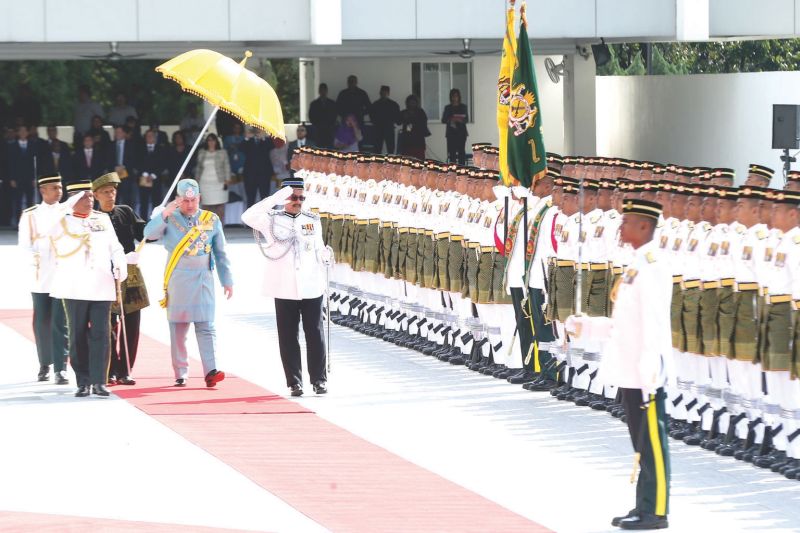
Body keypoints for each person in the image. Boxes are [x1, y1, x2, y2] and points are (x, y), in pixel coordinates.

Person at [566, 199, 671, 530]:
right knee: (640, 443)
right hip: (630, 368)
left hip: (644, 372)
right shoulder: (634, 265)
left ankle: (655, 511)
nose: (620, 227)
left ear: (644, 226)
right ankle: (643, 505)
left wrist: (652, 367)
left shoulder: (652, 266)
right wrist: (589, 326)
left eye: (627, 222)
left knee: (652, 442)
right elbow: (624, 324)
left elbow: (654, 324)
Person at [241, 178, 331, 396]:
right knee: (288, 336)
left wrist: (326, 256)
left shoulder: (312, 220)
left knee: (315, 334)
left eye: (301, 197)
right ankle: (294, 382)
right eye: (293, 197)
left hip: (310, 286)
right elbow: (247, 216)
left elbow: (318, 249)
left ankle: (319, 380)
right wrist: (276, 198)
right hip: (284, 287)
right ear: (284, 197)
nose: (298, 201)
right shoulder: (270, 219)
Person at [144, 179, 232, 388]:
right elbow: (148, 234)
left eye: (193, 200)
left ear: (199, 198)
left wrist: (227, 280)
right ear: (178, 200)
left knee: (206, 325)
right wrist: (163, 214)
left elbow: (221, 253)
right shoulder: (169, 218)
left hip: (203, 278)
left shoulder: (211, 219)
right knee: (179, 328)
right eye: (185, 200)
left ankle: (211, 370)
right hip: (179, 277)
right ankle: (180, 372)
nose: (190, 204)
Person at [47, 180, 128, 398]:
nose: (90, 201)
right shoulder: (61, 220)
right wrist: (68, 204)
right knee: (78, 335)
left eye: (92, 196)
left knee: (102, 334)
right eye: (85, 197)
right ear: (73, 199)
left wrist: (120, 264)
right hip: (75, 287)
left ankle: (99, 381)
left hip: (101, 285)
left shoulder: (101, 219)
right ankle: (83, 381)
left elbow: (115, 247)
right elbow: (49, 223)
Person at [92, 172, 149, 386]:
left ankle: (126, 370)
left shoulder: (126, 211)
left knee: (132, 323)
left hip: (130, 274)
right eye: (105, 192)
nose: (110, 195)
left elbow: (146, 233)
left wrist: (160, 217)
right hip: (106, 276)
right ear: (96, 195)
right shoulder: (93, 219)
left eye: (113, 191)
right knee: (107, 324)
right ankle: (111, 369)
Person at [18, 174, 69, 384]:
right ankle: (44, 363)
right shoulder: (31, 214)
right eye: (54, 188)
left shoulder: (67, 211)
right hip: (40, 275)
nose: (59, 191)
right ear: (43, 191)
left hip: (62, 273)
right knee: (42, 322)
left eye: (60, 187)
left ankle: (61, 367)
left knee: (61, 322)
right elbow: (24, 245)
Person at [195, 133, 231, 220]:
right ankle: (206, 227)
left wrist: (227, 179)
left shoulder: (222, 152)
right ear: (206, 142)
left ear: (216, 141)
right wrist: (196, 181)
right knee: (206, 205)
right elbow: (198, 167)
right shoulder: (201, 152)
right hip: (205, 182)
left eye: (213, 140)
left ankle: (219, 227)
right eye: (209, 140)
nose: (211, 142)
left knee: (219, 205)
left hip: (219, 182)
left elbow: (227, 166)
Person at [139, 129, 169, 218]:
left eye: (151, 136)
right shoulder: (140, 148)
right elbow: (136, 162)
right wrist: (145, 174)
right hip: (143, 179)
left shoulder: (161, 149)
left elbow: (163, 164)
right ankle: (143, 223)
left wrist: (152, 175)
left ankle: (157, 222)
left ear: (155, 138)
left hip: (156, 179)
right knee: (143, 202)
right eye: (147, 136)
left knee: (157, 202)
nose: (149, 138)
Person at [240, 128, 275, 207]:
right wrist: (246, 138)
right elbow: (241, 148)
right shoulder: (248, 140)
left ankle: (265, 217)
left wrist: (263, 137)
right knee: (250, 198)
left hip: (264, 173)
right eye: (256, 129)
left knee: (265, 197)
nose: (257, 131)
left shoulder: (266, 139)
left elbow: (272, 146)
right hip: (250, 174)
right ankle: (249, 218)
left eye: (259, 129)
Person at [112, 125, 141, 208]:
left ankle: (127, 217)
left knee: (127, 198)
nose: (117, 134)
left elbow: (135, 160)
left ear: (124, 133)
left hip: (127, 175)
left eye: (119, 132)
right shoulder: (111, 145)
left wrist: (124, 167)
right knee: (114, 198)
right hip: (114, 175)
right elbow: (107, 160)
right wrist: (114, 167)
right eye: (116, 132)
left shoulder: (131, 145)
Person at [369, 86, 401, 154]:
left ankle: (390, 163)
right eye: (382, 93)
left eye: (385, 93)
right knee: (377, 149)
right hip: (379, 129)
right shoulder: (376, 104)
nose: (384, 94)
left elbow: (398, 118)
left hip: (388, 128)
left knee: (390, 148)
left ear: (388, 93)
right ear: (380, 93)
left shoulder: (393, 105)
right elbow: (371, 116)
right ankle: (378, 163)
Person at [441, 88, 469, 165]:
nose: (455, 98)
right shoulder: (448, 107)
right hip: (451, 134)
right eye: (453, 96)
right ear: (451, 97)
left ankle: (462, 170)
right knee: (452, 153)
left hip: (461, 133)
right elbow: (443, 120)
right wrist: (451, 119)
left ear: (459, 97)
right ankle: (453, 172)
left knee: (461, 153)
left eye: (456, 96)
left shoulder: (463, 107)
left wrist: (460, 120)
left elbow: (466, 119)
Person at [398, 94, 429, 160]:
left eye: (413, 102)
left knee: (419, 162)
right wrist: (403, 116)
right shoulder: (404, 112)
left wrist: (414, 122)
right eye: (410, 102)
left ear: (416, 103)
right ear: (407, 103)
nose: (412, 104)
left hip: (418, 141)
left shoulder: (420, 112)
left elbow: (424, 124)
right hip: (407, 142)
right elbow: (398, 122)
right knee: (407, 162)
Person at [308, 83, 338, 148]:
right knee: (319, 149)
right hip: (318, 130)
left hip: (329, 130)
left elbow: (335, 115)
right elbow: (311, 116)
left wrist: (330, 124)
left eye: (324, 90)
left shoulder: (332, 103)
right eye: (321, 90)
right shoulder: (314, 104)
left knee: (330, 149)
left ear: (327, 91)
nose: (323, 92)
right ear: (319, 91)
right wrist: (318, 124)